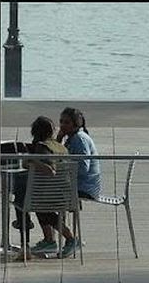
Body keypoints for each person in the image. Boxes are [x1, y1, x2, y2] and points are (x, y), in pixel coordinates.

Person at [50, 106, 100, 259]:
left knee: (41, 200)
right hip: (74, 184)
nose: (62, 125)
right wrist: (59, 139)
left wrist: (62, 168)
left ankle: (67, 239)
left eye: (66, 122)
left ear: (76, 124)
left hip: (84, 186)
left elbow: (83, 168)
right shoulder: (72, 138)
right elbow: (56, 154)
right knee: (40, 198)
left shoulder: (79, 139)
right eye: (61, 122)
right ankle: (53, 239)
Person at [18, 116, 68, 257]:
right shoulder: (59, 146)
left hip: (50, 195)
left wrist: (31, 161)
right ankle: (49, 240)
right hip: (64, 192)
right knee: (37, 204)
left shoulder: (42, 147)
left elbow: (50, 170)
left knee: (23, 200)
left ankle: (69, 237)